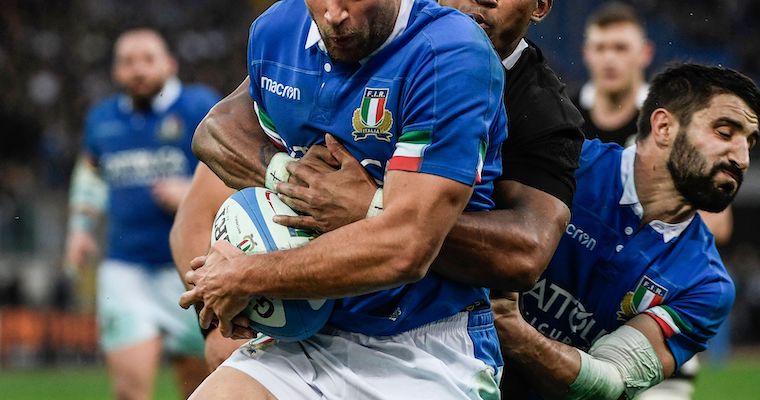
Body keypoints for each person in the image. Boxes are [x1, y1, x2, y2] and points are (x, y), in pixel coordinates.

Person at [172, 0, 584, 372]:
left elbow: (523, 254)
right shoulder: (321, 40)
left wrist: (372, 208)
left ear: (540, 7)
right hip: (316, 322)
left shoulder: (539, 109)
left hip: (446, 336)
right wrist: (296, 183)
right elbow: (215, 133)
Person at [492, 63, 760, 399]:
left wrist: (515, 333)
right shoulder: (568, 164)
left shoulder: (705, 285)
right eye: (725, 133)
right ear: (664, 126)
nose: (742, 157)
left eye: (749, 142)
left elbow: (610, 382)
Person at [63, 28, 219, 400]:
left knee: (198, 387)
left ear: (170, 64)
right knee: (129, 391)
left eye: (148, 60)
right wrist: (80, 230)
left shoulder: (201, 106)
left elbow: (237, 168)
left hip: (193, 268)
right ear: (116, 72)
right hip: (126, 270)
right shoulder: (101, 119)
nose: (137, 70)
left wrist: (193, 191)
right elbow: (91, 172)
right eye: (127, 62)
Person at [575, 1, 653, 147]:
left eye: (620, 48)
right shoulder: (564, 114)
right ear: (586, 54)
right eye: (600, 48)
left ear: (645, 53)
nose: (609, 59)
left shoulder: (663, 118)